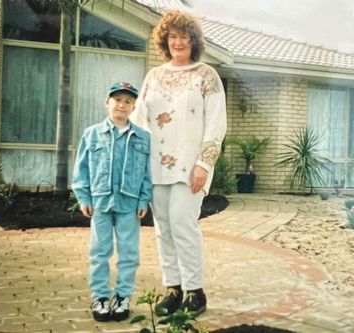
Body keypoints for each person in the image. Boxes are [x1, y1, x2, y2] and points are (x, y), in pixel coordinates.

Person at [131, 11, 227, 317]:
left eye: (185, 37)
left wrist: (204, 164)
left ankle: (195, 291)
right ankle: (173, 288)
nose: (178, 42)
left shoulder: (206, 76)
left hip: (190, 166)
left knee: (183, 223)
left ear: (194, 41)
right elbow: (139, 121)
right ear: (165, 40)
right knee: (163, 228)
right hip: (155, 166)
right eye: (173, 36)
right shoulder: (153, 76)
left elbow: (216, 124)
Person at [71, 81, 152, 322]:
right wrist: (83, 196)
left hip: (129, 204)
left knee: (129, 253)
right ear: (107, 102)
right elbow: (81, 169)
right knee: (99, 251)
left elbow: (148, 173)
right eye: (117, 100)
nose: (122, 105)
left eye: (128, 101)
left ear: (133, 106)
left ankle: (123, 296)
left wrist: (143, 200)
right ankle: (101, 297)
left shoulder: (143, 137)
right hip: (101, 203)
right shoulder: (92, 133)